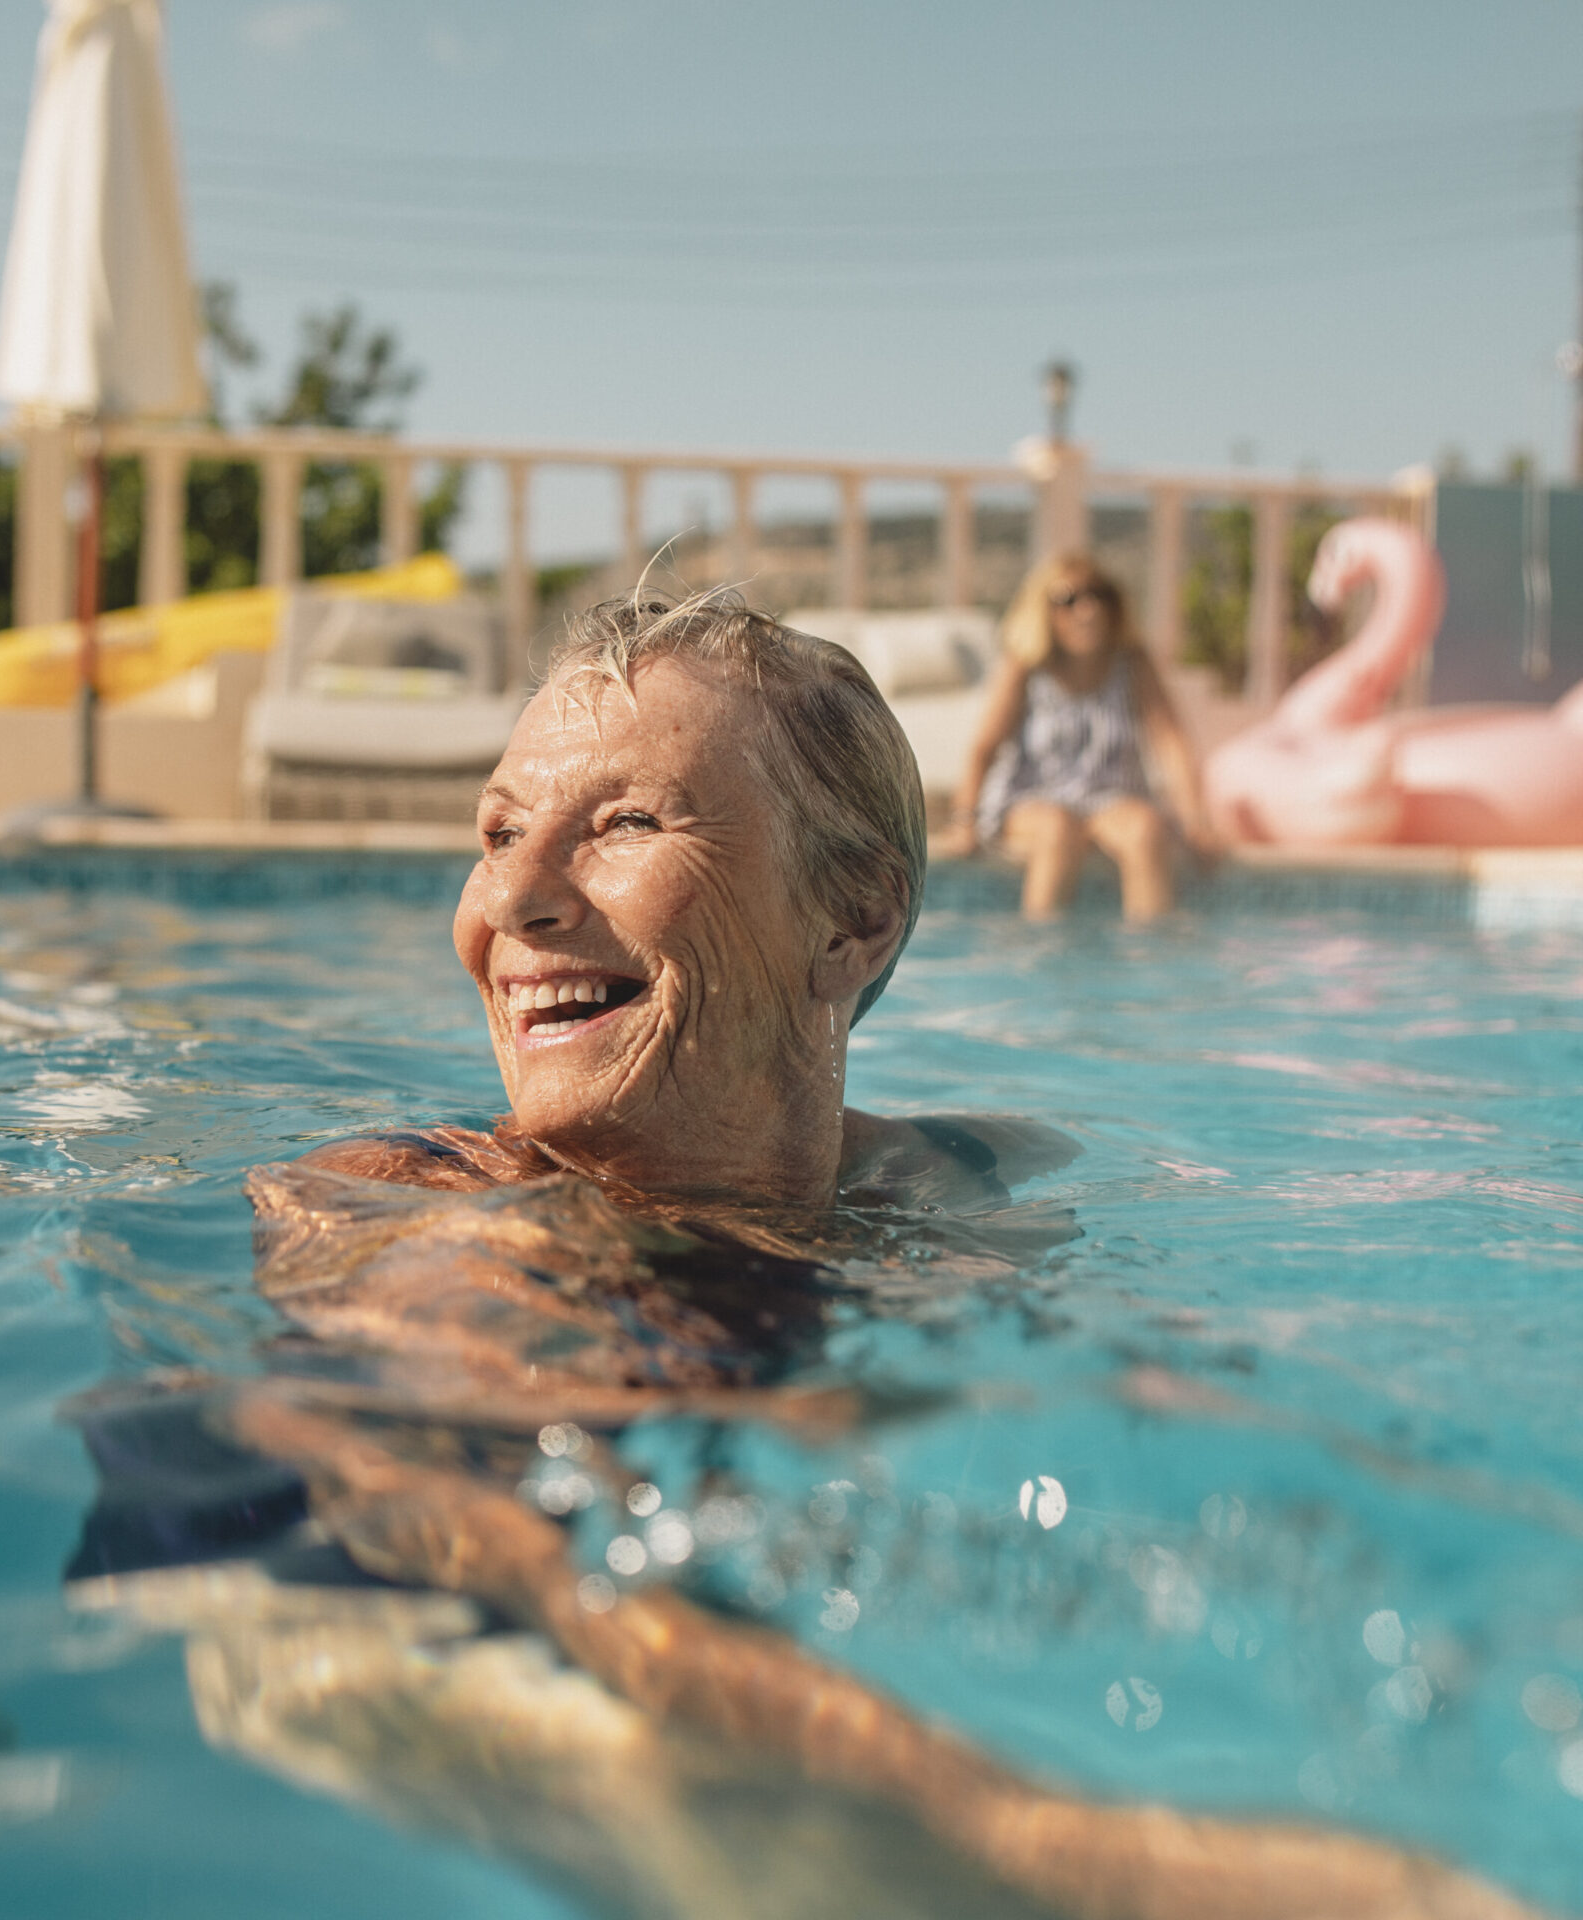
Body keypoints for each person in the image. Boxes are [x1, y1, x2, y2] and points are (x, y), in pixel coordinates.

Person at [82, 590, 1523, 1920]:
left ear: (856, 918)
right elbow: (439, 1521)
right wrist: (1056, 1843)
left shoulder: (952, 1185)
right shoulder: (416, 1199)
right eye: (496, 830)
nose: (510, 902)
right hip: (324, 1610)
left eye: (625, 822)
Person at [935, 553, 1218, 920]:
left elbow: (1170, 743)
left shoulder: (1132, 663)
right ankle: (1041, 954)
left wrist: (1196, 821)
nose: (1086, 610)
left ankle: (1151, 963)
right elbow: (983, 750)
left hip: (1112, 798)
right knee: (1058, 828)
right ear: (1044, 611)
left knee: (1146, 830)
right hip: (1031, 801)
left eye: (1099, 595)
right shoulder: (1025, 665)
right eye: (1068, 600)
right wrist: (963, 823)